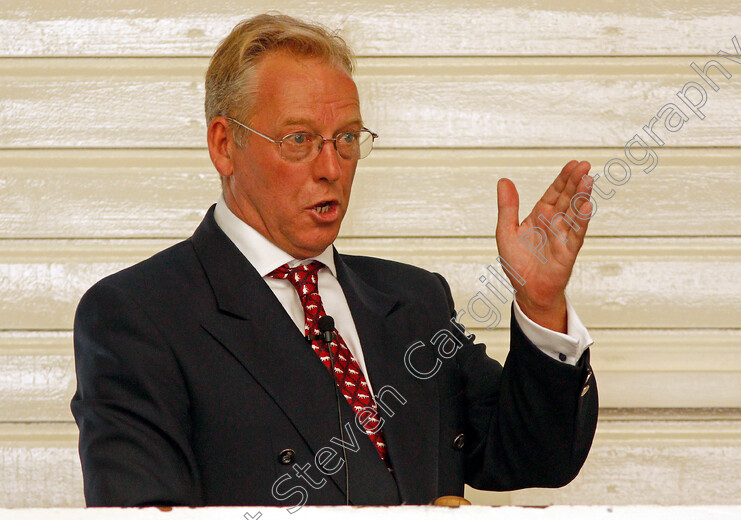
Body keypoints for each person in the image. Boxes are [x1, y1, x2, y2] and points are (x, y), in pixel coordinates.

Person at [71, 13, 598, 508]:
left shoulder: (413, 301)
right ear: (224, 145)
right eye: (298, 139)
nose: (331, 167)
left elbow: (536, 457)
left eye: (346, 138)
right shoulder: (138, 315)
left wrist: (540, 303)